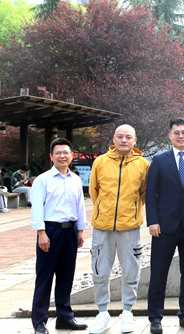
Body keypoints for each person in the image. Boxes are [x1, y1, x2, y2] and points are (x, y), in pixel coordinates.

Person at [146, 118, 184, 333]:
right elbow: (150, 194)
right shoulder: (159, 160)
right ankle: (155, 317)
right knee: (158, 273)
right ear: (170, 136)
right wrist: (152, 221)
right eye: (177, 132)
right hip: (163, 226)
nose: (181, 136)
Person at [87, 124, 150, 334]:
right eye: (120, 136)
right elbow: (94, 191)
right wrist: (104, 212)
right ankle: (102, 313)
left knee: (131, 270)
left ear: (134, 140)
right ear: (114, 139)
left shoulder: (143, 164)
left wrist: (130, 211)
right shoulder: (100, 162)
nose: (124, 140)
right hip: (102, 226)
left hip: (130, 227)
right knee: (100, 270)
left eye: (128, 137)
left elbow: (143, 194)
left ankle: (127, 312)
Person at [30, 138, 88, 334]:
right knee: (45, 277)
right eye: (58, 153)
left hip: (70, 231)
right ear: (51, 156)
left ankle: (65, 318)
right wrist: (41, 233)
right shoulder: (42, 180)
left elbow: (80, 205)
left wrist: (80, 230)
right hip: (50, 231)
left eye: (66, 153)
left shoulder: (76, 179)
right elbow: (37, 208)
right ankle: (39, 321)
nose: (62, 156)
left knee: (66, 276)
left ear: (72, 156)